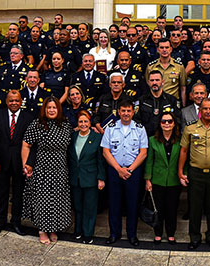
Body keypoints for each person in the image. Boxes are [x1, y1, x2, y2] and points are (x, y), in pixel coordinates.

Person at [178, 97, 210, 250]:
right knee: (195, 208)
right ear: (200, 111)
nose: (207, 111)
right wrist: (180, 172)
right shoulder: (190, 128)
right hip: (196, 173)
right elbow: (184, 151)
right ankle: (195, 238)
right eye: (204, 108)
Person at [22, 96, 72, 244]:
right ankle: (42, 230)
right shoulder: (37, 124)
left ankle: (53, 228)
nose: (51, 110)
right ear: (44, 109)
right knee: (43, 200)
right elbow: (26, 145)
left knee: (57, 200)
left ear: (59, 109)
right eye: (48, 107)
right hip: (42, 169)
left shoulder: (66, 124)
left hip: (60, 169)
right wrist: (25, 165)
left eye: (54, 107)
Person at [101, 98, 148, 246]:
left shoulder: (140, 128)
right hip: (115, 170)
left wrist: (129, 169)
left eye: (129, 111)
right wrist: (119, 169)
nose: (126, 113)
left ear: (133, 112)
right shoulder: (110, 128)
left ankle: (132, 235)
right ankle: (114, 234)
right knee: (114, 204)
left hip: (133, 172)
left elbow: (143, 153)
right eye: (123, 111)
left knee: (132, 204)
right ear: (118, 112)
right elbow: (106, 152)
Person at [0, 90, 33, 236]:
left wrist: (28, 163)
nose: (14, 103)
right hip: (1, 162)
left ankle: (16, 222)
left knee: (18, 194)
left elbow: (32, 143)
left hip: (20, 163)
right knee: (0, 193)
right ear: (6, 101)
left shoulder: (28, 117)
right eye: (11, 100)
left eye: (17, 100)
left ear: (21, 102)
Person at [145, 111, 182, 244]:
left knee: (172, 209)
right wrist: (147, 179)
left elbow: (184, 160)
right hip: (157, 180)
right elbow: (149, 161)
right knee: (158, 209)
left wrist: (183, 174)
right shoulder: (152, 140)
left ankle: (171, 234)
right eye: (163, 121)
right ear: (159, 124)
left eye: (169, 121)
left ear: (174, 124)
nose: (167, 124)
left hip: (174, 180)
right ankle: (158, 233)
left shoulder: (180, 140)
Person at [68, 111, 105, 244]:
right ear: (77, 124)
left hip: (91, 178)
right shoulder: (72, 136)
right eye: (80, 122)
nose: (83, 124)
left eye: (86, 121)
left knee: (89, 208)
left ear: (90, 123)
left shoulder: (96, 137)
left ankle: (88, 234)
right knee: (78, 207)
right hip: (75, 178)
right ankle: (78, 231)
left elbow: (101, 160)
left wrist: (101, 178)